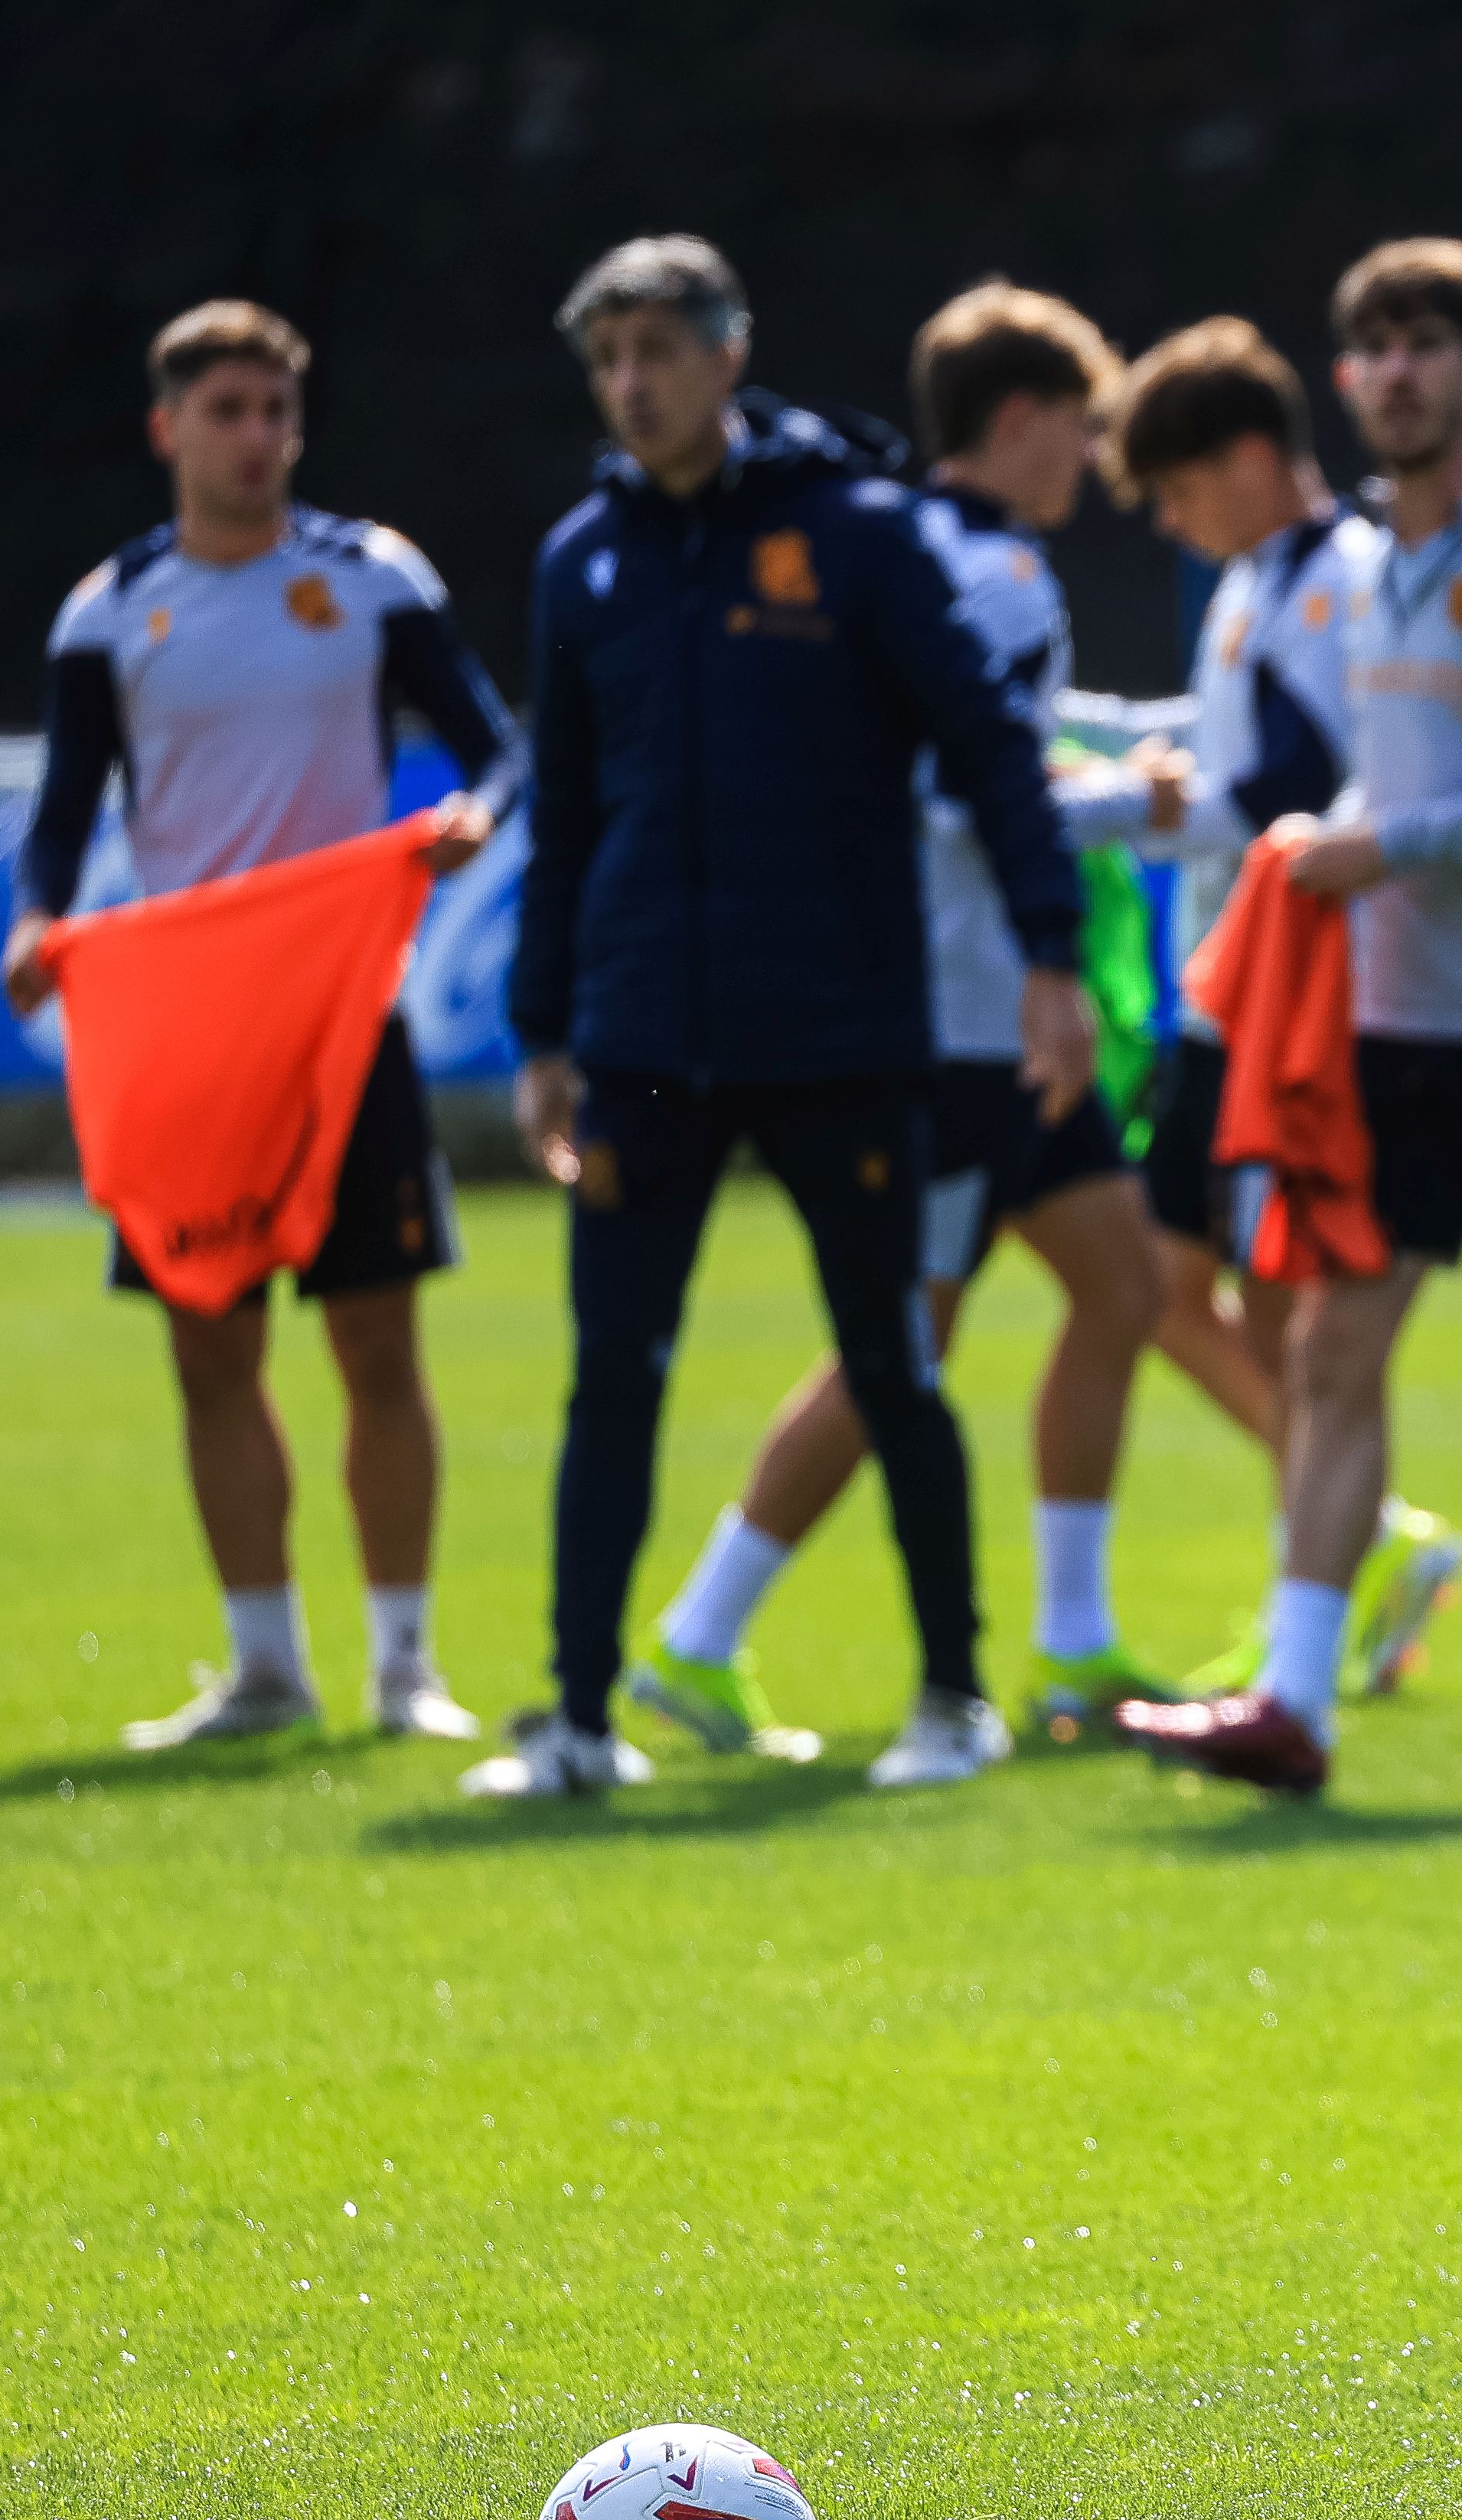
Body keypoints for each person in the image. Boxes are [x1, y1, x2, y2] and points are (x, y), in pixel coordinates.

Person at [470, 234, 1097, 1798]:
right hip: (638, 1045)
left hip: (840, 1035)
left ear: (728, 351)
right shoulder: (580, 561)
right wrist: (542, 1031)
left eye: (656, 351)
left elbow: (989, 747)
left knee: (894, 1359)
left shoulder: (858, 534)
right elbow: (560, 814)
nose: (631, 385)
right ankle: (575, 1720)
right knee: (613, 1369)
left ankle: (952, 1697)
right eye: (606, 359)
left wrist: (1049, 951)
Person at [1119, 239, 1462, 1800]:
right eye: (1370, 347)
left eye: (1426, 344)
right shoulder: (1356, 567)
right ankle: (1294, 1698)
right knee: (1329, 1343)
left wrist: (1389, 845)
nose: (1395, 372)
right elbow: (1393, 778)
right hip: (1396, 1033)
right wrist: (1333, 843)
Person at [633, 282, 1185, 1762]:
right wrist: (1134, 806)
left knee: (1122, 1285)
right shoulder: (994, 576)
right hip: (956, 1017)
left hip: (974, 1008)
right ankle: (698, 1634)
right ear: (1018, 420)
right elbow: (954, 789)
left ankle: (1073, 1643)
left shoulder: (881, 544)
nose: (1094, 457)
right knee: (906, 1346)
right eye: (1079, 425)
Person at [0, 298, 508, 1750]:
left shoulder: (368, 579)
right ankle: (264, 1666)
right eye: (225, 413)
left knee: (379, 1348)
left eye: (275, 414)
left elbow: (494, 747)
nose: (255, 441)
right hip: (188, 1037)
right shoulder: (111, 610)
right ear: (168, 430)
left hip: (348, 1021)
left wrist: (470, 817)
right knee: (211, 1355)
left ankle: (405, 1666)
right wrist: (37, 926)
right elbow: (60, 819)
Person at [1094, 315, 1462, 1707]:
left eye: (1183, 491)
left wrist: (1108, 813)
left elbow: (1309, 781)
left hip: (1294, 990)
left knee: (1240, 1293)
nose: (1176, 525)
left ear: (1254, 457)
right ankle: (1347, 1555)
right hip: (1223, 980)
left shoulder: (1349, 579)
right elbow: (1233, 748)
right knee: (1193, 1289)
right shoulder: (1261, 578)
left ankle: (1349, 1559)